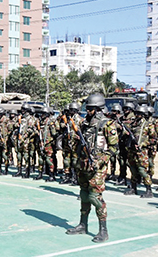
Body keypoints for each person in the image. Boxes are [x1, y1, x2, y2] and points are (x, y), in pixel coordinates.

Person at [65, 94, 113, 243]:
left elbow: (113, 148)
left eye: (90, 108)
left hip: (97, 167)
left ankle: (103, 230)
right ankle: (83, 224)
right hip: (84, 165)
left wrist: (100, 162)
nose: (87, 111)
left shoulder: (107, 124)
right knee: (84, 195)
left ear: (98, 109)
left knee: (95, 197)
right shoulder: (85, 124)